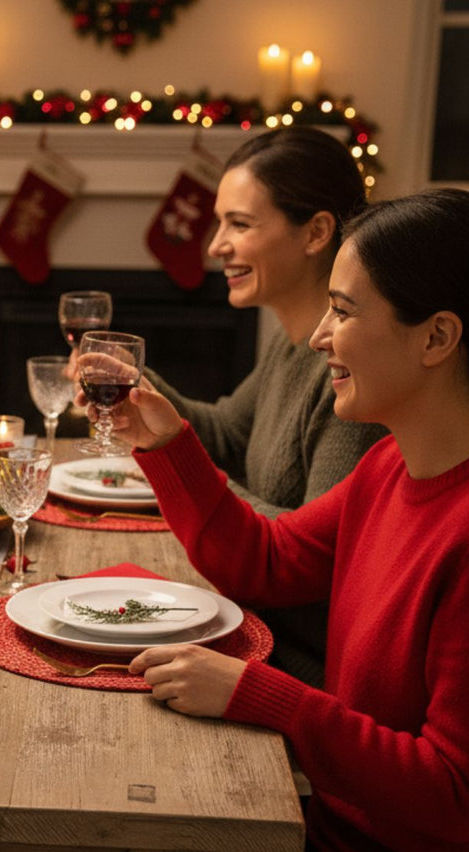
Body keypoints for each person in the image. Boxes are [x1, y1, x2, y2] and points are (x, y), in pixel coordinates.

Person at [29, 189, 469, 852]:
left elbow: (454, 795)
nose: (318, 336)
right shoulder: (390, 472)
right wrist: (166, 440)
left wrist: (268, 698)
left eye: (345, 311)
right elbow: (262, 561)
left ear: (437, 337)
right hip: (350, 849)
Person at [79, 127, 382, 686]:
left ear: (316, 232)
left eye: (239, 224)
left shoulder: (355, 377)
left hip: (288, 659)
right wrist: (135, 384)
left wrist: (183, 468)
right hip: (242, 611)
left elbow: (305, 561)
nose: (215, 245)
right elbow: (224, 433)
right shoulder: (290, 343)